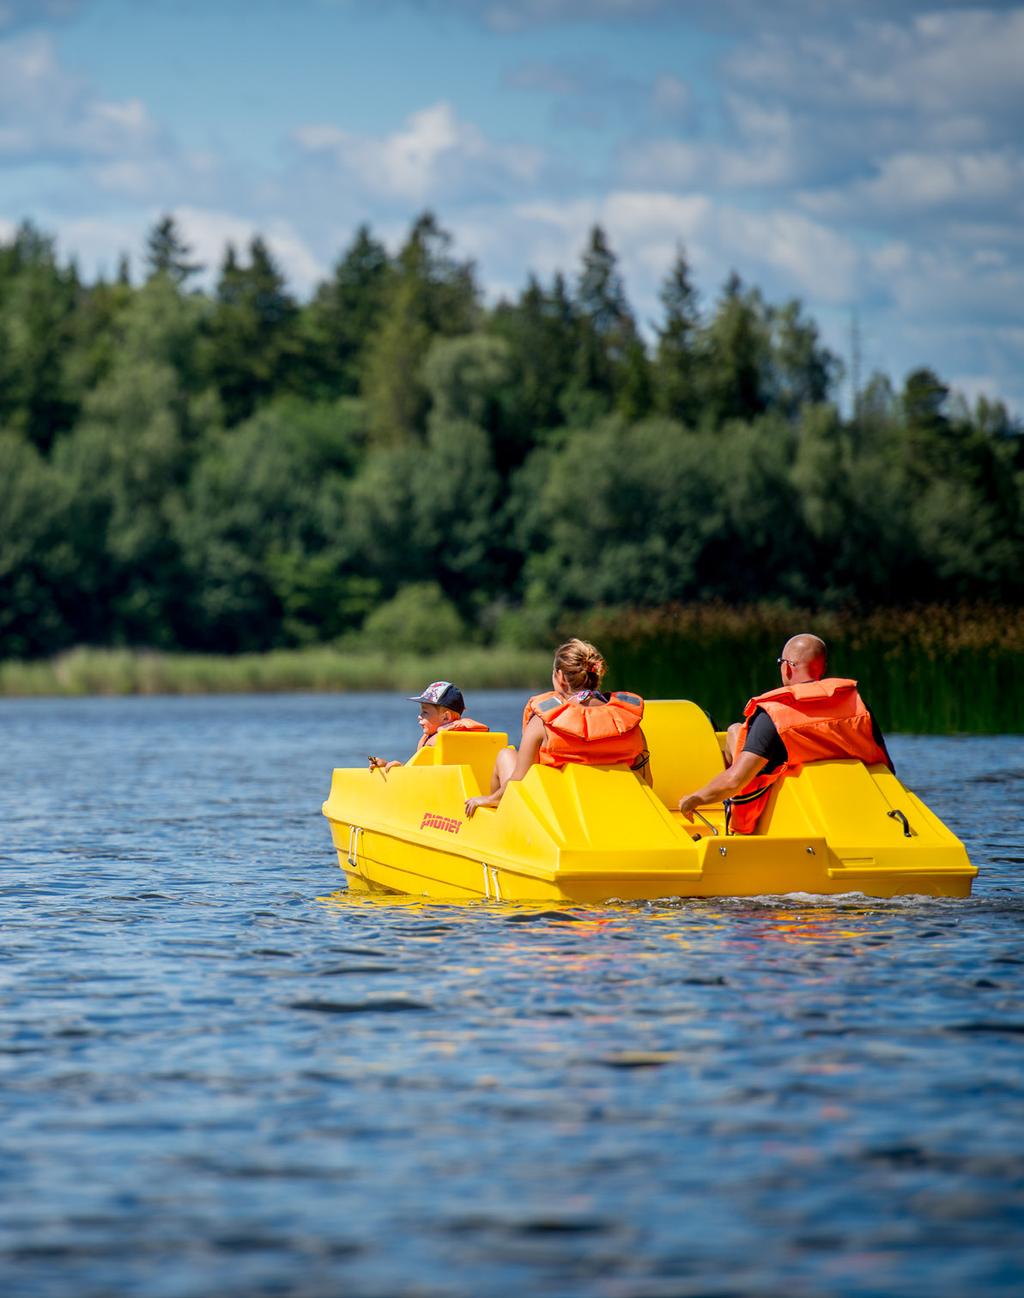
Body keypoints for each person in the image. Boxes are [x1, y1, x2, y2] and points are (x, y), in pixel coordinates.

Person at [677, 633, 892, 833]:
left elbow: (736, 780)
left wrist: (695, 798)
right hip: (854, 804)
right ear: (822, 668)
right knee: (735, 730)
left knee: (737, 734)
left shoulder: (774, 714)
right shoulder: (857, 705)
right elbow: (888, 767)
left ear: (787, 668)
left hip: (771, 813)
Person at [464, 638, 651, 818]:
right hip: (614, 809)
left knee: (505, 755)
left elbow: (518, 781)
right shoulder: (628, 723)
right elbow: (646, 781)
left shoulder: (543, 722)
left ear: (560, 676)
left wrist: (488, 799)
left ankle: (499, 823)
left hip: (556, 814)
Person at [370, 681, 488, 773]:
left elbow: (417, 778)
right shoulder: (471, 738)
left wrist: (399, 769)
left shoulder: (436, 743)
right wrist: (387, 765)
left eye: (425, 712)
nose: (419, 716)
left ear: (446, 717)